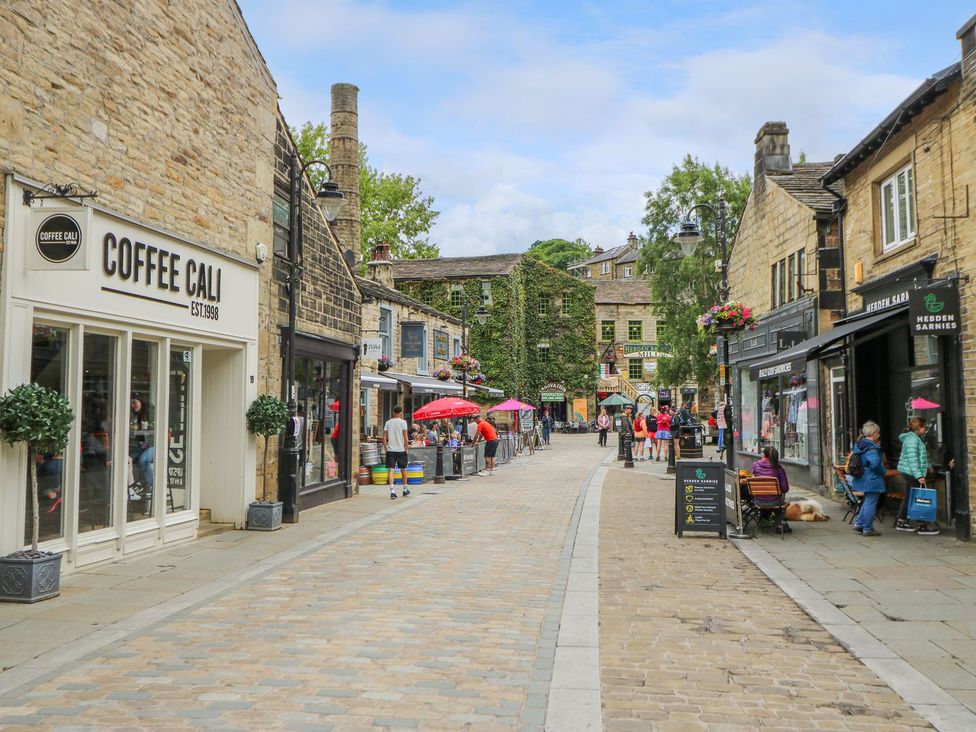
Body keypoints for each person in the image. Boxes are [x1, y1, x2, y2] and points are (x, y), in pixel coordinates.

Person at [895, 417, 939, 535]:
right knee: (918, 497)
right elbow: (913, 460)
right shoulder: (912, 440)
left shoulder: (916, 438)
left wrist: (928, 465)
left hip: (911, 471)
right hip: (911, 472)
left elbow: (921, 456)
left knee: (911, 496)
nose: (926, 430)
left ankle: (901, 521)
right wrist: (919, 476)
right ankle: (922, 525)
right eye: (925, 427)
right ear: (919, 428)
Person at [851, 420, 886, 536]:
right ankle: (867, 528)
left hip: (862, 477)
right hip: (872, 478)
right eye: (878, 433)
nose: (879, 435)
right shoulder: (871, 448)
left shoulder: (861, 444)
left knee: (867, 501)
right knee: (871, 502)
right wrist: (883, 471)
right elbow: (875, 464)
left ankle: (859, 523)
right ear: (873, 433)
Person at [751, 446, 791, 533]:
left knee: (767, 495)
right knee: (779, 496)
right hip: (775, 501)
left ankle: (764, 518)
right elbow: (785, 488)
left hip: (758, 501)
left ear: (764, 455)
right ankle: (779, 524)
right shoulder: (779, 468)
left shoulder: (755, 466)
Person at [383, 405, 410, 499]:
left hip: (391, 450)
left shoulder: (388, 423)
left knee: (391, 470)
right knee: (403, 470)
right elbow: (406, 438)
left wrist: (386, 449)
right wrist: (406, 449)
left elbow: (384, 438)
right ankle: (405, 489)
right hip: (401, 450)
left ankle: (392, 491)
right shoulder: (403, 422)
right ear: (401, 413)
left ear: (393, 412)